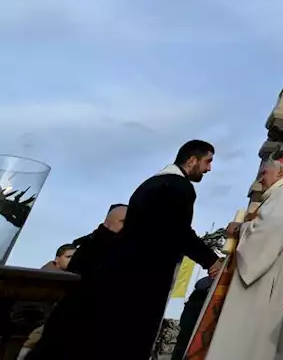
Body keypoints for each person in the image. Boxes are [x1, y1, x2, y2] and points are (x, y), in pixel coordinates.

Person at [87, 140, 221, 359]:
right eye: (208, 161)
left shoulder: (150, 184)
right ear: (192, 160)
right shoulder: (179, 187)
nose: (209, 168)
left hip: (122, 272)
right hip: (146, 278)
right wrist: (211, 261)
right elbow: (178, 231)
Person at [203, 158, 283, 360]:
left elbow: (267, 233)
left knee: (251, 342)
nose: (260, 180)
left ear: (280, 173)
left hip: (267, 281)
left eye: (264, 174)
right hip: (277, 276)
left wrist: (239, 228)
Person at [30, 205, 128, 359]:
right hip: (71, 331)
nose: (128, 227)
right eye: (123, 221)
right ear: (107, 223)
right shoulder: (92, 248)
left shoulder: (121, 250)